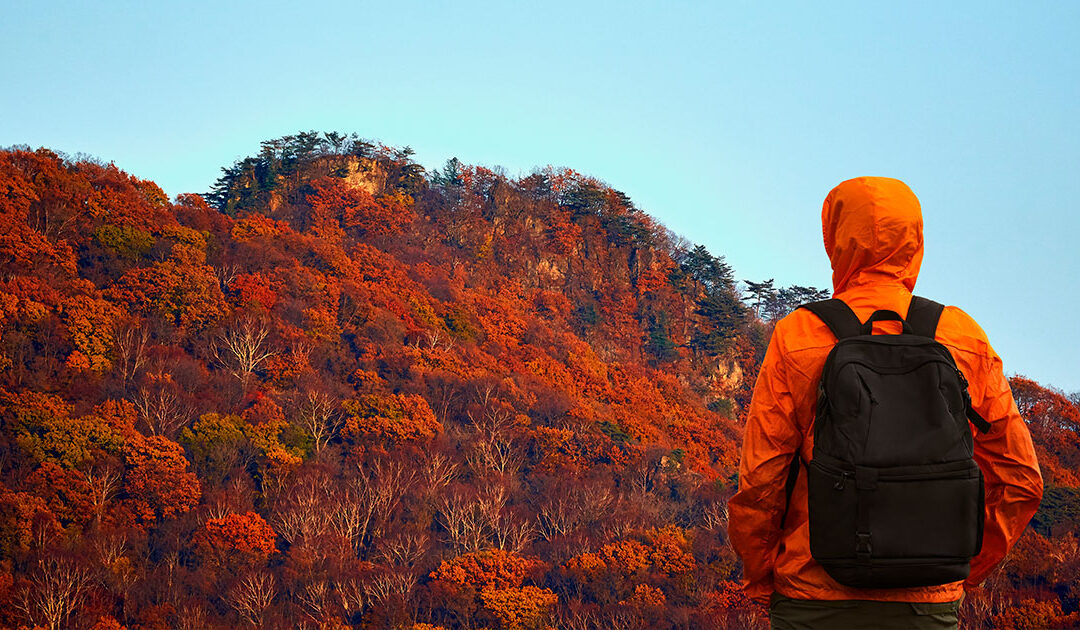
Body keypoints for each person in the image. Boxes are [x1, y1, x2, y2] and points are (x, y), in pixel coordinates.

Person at [726, 176, 1044, 629]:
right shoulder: (960, 335)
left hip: (813, 595)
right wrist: (961, 571)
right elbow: (1020, 480)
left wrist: (761, 577)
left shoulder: (799, 335)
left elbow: (762, 481)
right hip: (926, 603)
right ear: (915, 239)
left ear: (834, 236)